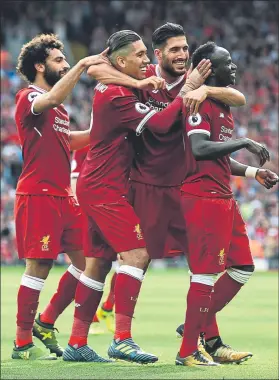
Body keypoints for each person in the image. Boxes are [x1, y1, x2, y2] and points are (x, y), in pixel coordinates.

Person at [62, 30, 210, 364]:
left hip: (103, 184)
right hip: (105, 187)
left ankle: (76, 341)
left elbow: (97, 68)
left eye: (147, 53)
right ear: (121, 61)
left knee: (98, 263)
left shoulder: (119, 84)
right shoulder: (117, 94)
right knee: (137, 254)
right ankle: (122, 339)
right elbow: (159, 125)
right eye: (140, 55)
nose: (147, 61)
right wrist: (186, 89)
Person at [175, 41, 278, 367]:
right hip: (202, 197)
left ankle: (196, 329)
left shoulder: (220, 104)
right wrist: (245, 142)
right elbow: (200, 149)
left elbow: (219, 159)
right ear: (208, 67)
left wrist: (252, 171)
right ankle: (188, 350)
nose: (234, 67)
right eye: (227, 62)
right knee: (205, 274)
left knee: (243, 267)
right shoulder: (197, 103)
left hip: (222, 197)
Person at [12, 33, 108, 361]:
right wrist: (82, 65)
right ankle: (22, 342)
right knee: (39, 265)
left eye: (67, 60)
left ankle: (46, 320)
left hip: (65, 197)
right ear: (40, 66)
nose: (65, 64)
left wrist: (104, 131)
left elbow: (69, 142)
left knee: (90, 263)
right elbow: (51, 99)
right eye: (58, 60)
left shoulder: (60, 110)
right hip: (38, 194)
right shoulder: (29, 97)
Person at [71, 147, 117, 335]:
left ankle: (107, 308)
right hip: (90, 210)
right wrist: (79, 212)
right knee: (93, 265)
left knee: (132, 260)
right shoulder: (85, 145)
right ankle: (88, 318)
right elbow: (74, 179)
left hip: (116, 206)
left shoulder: (121, 138)